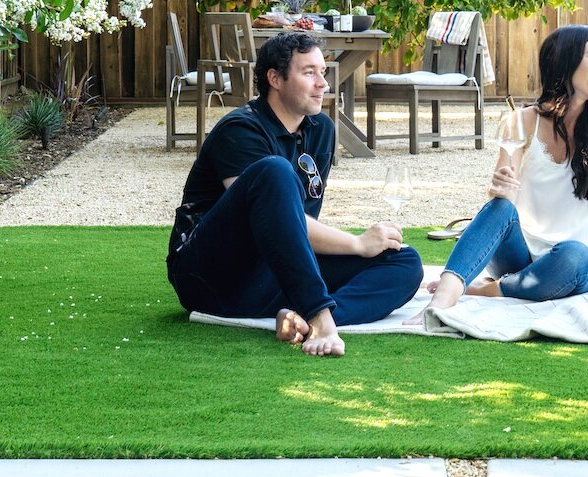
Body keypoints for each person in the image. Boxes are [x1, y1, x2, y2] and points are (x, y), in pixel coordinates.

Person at [168, 29, 423, 356]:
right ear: (275, 78)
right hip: (212, 277)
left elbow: (295, 227)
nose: (323, 83)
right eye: (309, 72)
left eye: (323, 72)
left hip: (272, 274)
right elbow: (269, 218)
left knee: (404, 261)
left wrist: (364, 249)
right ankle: (320, 318)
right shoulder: (240, 129)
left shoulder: (321, 130)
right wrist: (357, 244)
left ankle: (299, 319)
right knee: (274, 171)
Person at [429, 25, 588, 309]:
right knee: (500, 208)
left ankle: (486, 290)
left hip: (574, 268)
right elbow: (503, 196)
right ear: (565, 61)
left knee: (575, 254)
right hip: (519, 260)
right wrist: (500, 188)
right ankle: (443, 297)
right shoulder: (522, 121)